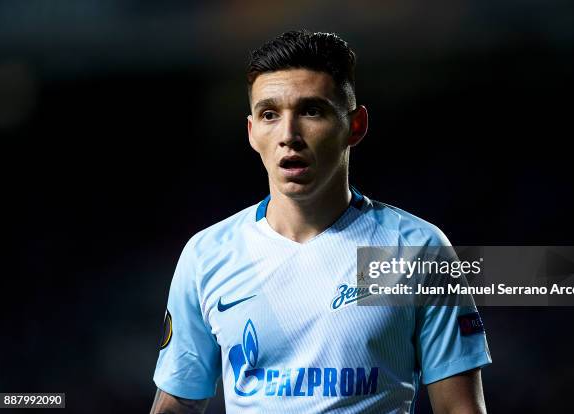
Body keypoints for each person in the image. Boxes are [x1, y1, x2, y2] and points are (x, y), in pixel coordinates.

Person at [150, 30, 491, 414]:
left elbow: (459, 409)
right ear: (251, 132)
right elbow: (177, 401)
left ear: (355, 126)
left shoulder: (417, 248)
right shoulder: (206, 255)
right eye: (269, 115)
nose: (289, 135)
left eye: (311, 111)